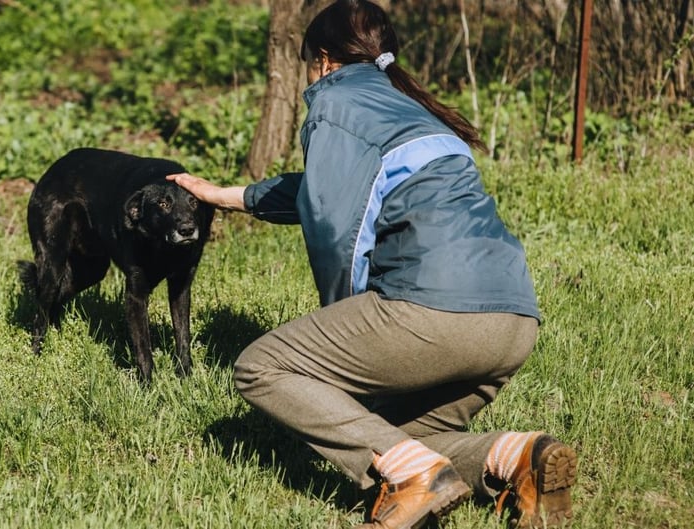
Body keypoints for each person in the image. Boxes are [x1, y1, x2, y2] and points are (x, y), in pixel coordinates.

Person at [167, 1, 578, 528]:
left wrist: (347, 328)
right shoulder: (409, 110)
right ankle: (517, 458)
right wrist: (233, 196)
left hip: (433, 312)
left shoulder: (337, 104)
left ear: (323, 60)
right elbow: (333, 187)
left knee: (261, 367)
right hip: (513, 321)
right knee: (389, 433)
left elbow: (339, 224)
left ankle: (410, 480)